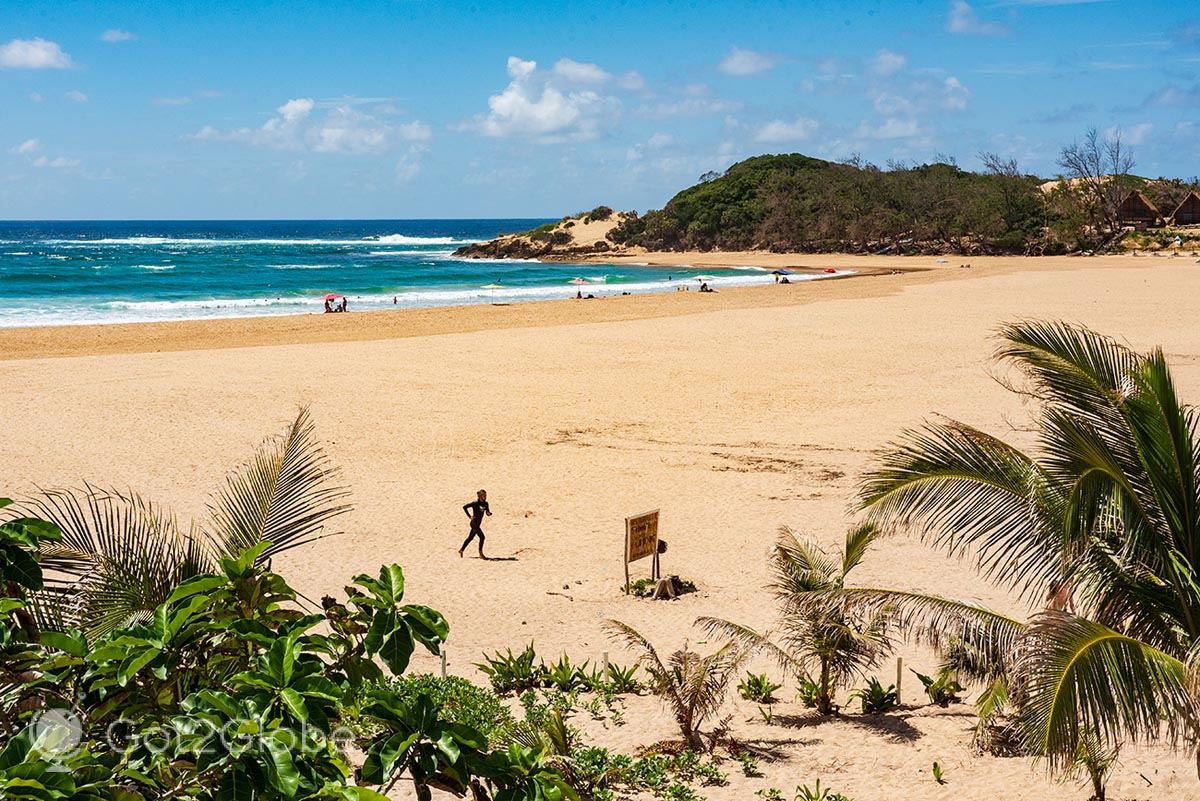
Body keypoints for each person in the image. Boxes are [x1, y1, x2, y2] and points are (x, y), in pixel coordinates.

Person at [459, 489, 492, 558]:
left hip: (478, 523)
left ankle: (461, 550)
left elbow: (487, 512)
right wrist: (469, 516)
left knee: (470, 538)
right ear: (480, 496)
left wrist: (489, 513)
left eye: (485, 495)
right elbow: (464, 507)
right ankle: (481, 553)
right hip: (474, 523)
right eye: (483, 495)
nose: (485, 496)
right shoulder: (475, 503)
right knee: (482, 537)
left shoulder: (486, 503)